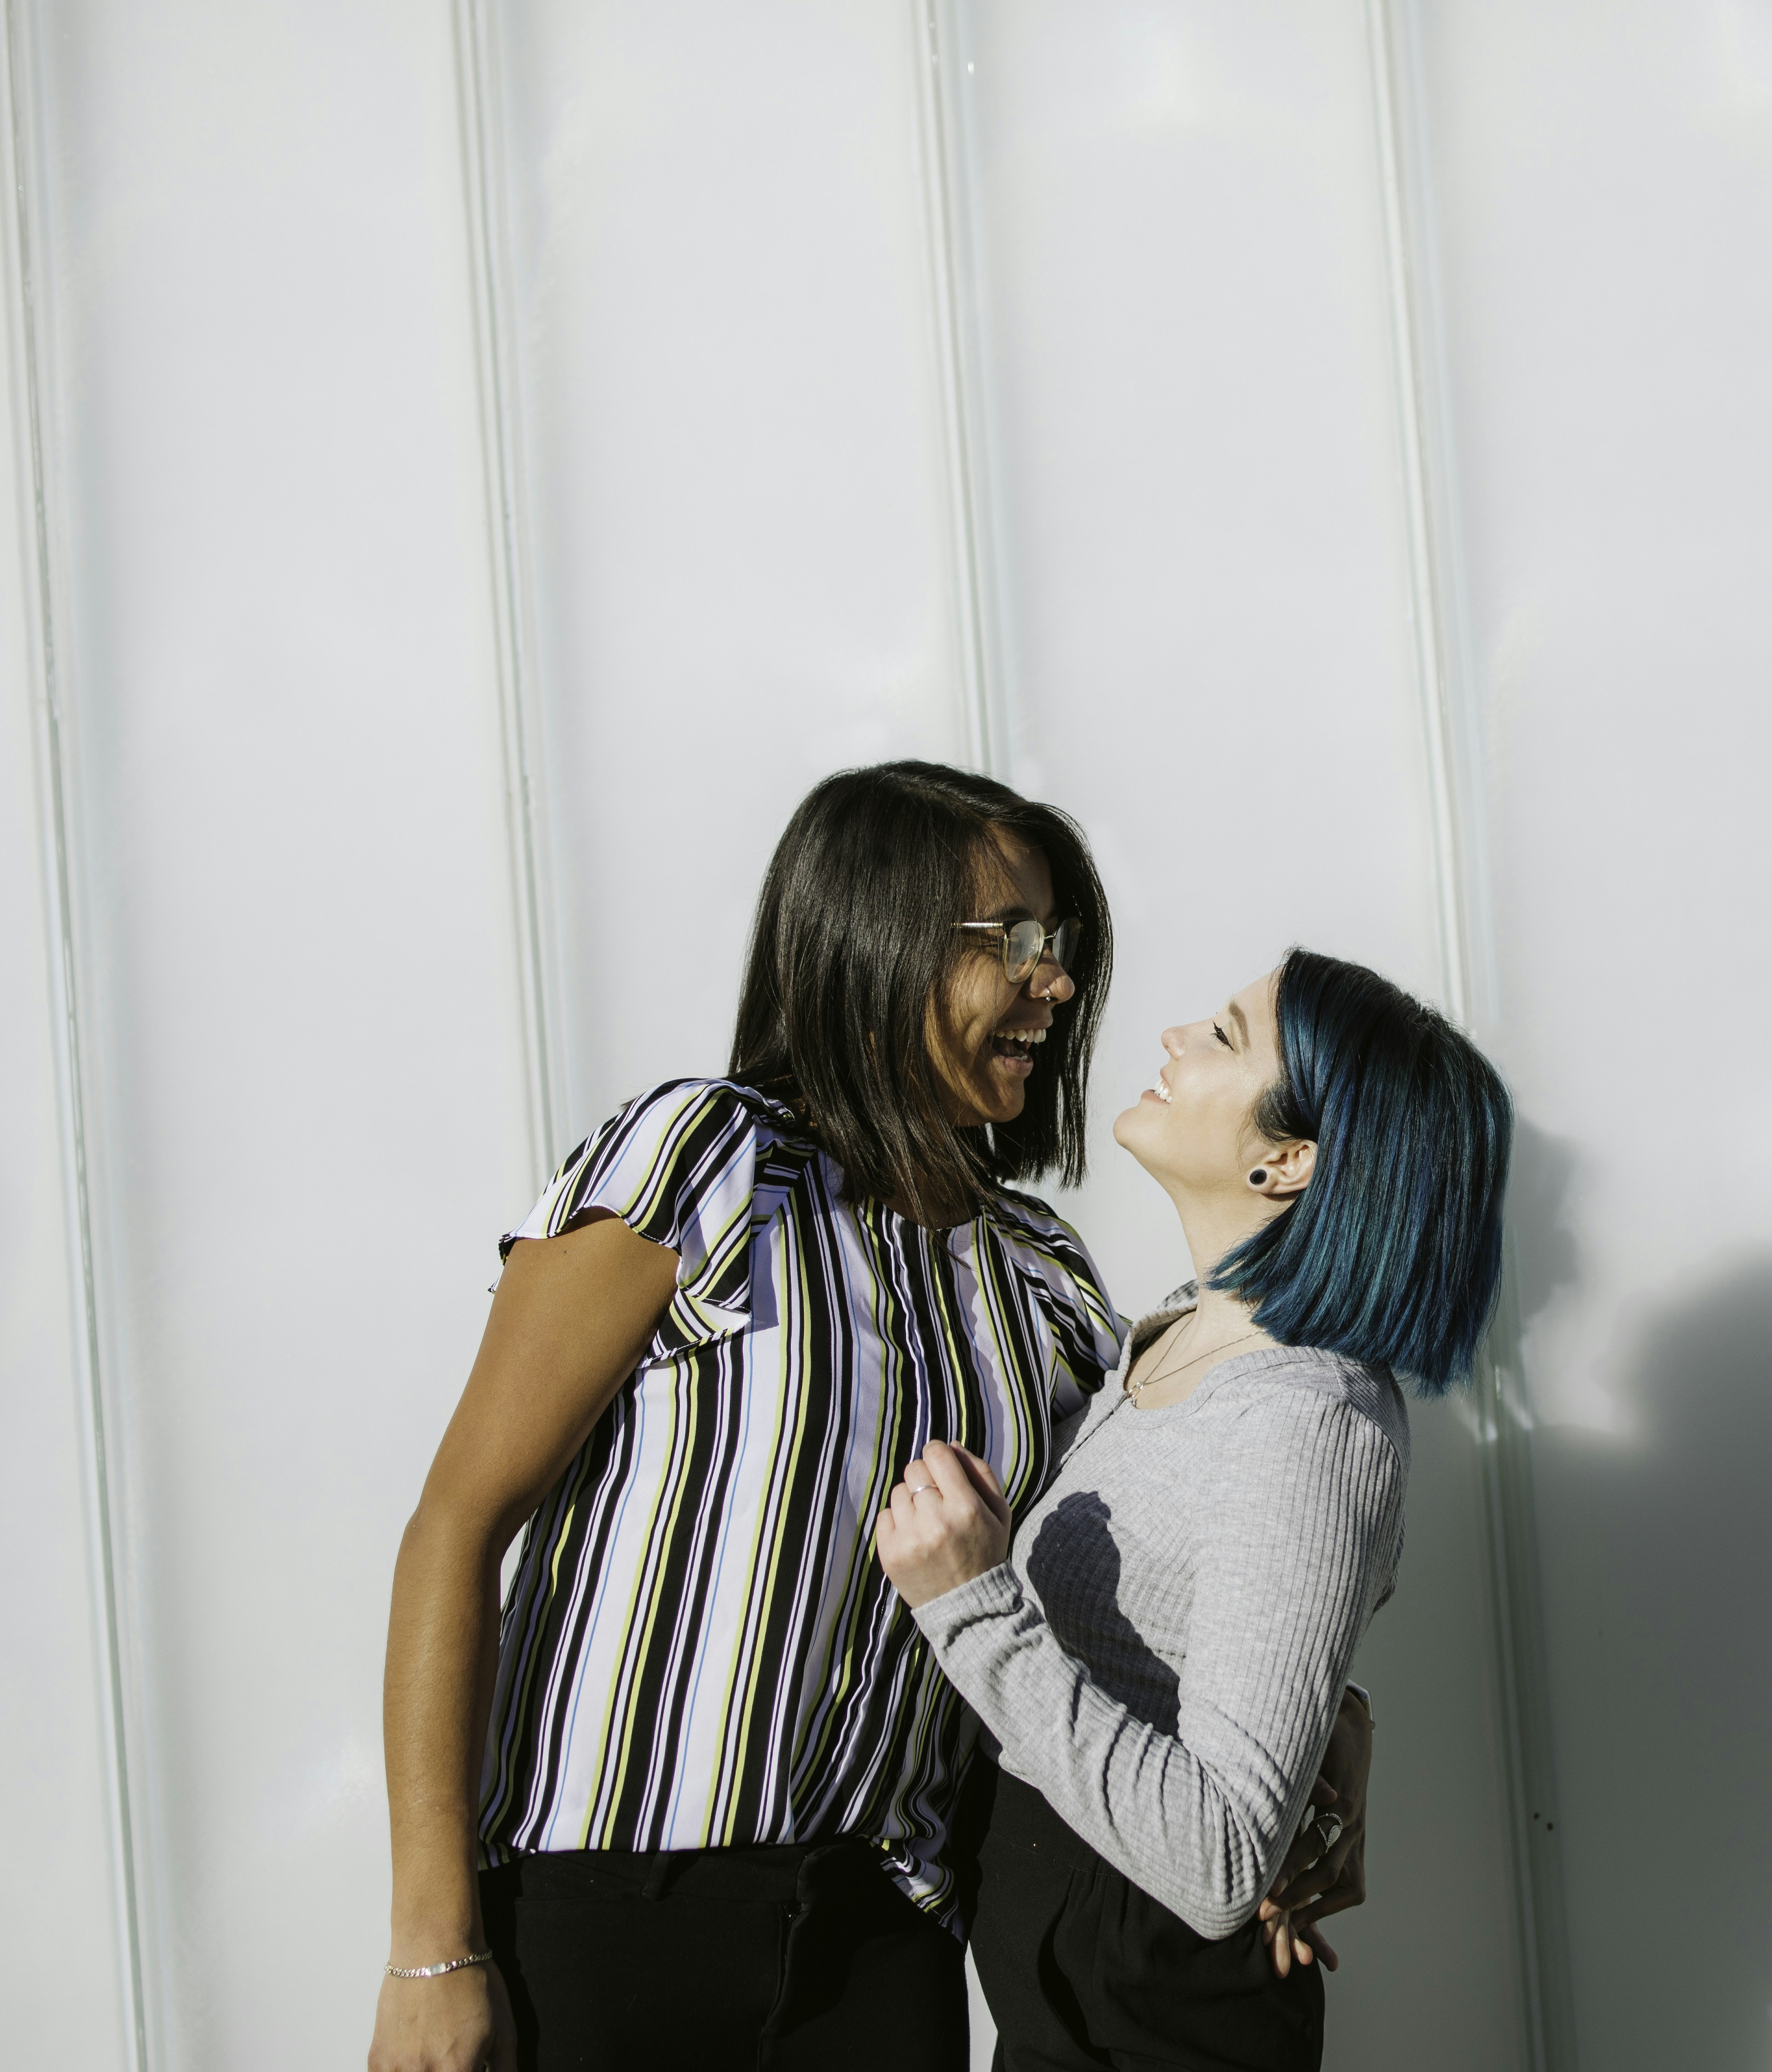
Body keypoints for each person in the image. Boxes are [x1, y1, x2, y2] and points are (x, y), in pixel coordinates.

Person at [366, 763, 1366, 2072]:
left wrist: (1325, 1738)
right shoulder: (708, 1165)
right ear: (874, 940)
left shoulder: (1045, 1276)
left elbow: (1159, 1559)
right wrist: (434, 1946)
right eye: (1013, 942)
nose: (1057, 985)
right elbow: (457, 1523)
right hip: (598, 1922)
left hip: (880, 1947)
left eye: (1060, 948)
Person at [876, 948, 1513, 2072]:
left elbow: (1222, 1858)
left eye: (1221, 1037)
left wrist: (972, 1604)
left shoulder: (1310, 1419)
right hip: (1061, 1987)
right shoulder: (1168, 1336)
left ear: (1287, 1158)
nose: (1171, 1037)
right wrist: (1328, 1714)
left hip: (1152, 2013)